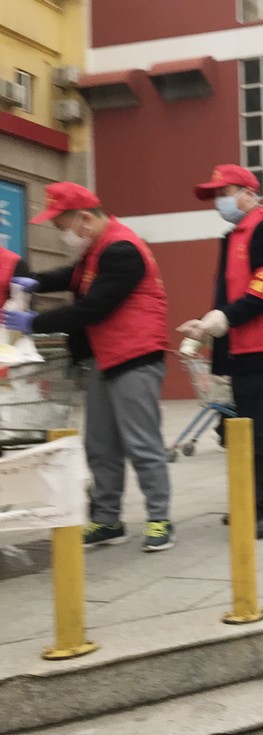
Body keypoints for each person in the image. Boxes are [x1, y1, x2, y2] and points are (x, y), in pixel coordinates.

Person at [0, 182, 174, 551]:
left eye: (62, 226)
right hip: (104, 358)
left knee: (142, 443)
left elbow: (93, 308)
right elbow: (71, 277)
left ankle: (159, 518)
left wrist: (34, 322)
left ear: (83, 219)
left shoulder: (122, 248)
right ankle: (107, 519)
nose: (62, 234)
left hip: (135, 356)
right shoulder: (96, 249)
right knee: (101, 445)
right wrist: (33, 281)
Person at [179, 165, 263, 539]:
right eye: (216, 194)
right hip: (246, 344)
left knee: (262, 431)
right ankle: (253, 503)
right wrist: (205, 324)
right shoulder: (236, 235)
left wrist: (221, 319)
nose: (219, 200)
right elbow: (231, 297)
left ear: (249, 193)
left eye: (225, 191)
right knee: (247, 429)